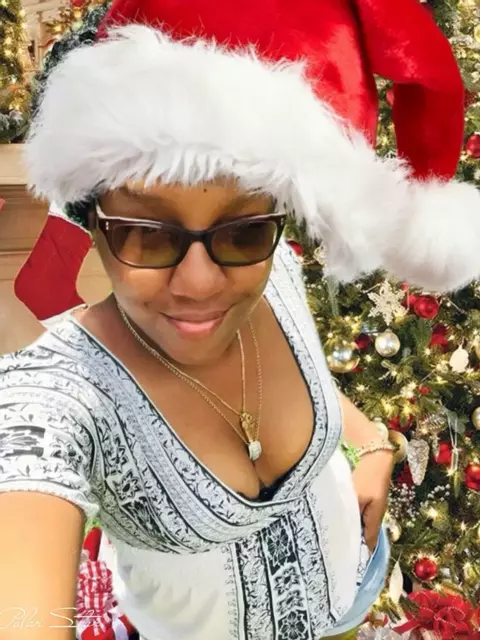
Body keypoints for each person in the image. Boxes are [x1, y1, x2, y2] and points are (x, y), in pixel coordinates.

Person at [1, 1, 477, 639]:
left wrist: (371, 441)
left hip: (356, 590)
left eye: (244, 229)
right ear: (91, 219)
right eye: (145, 232)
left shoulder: (274, 273)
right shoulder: (54, 401)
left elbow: (304, 364)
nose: (201, 283)